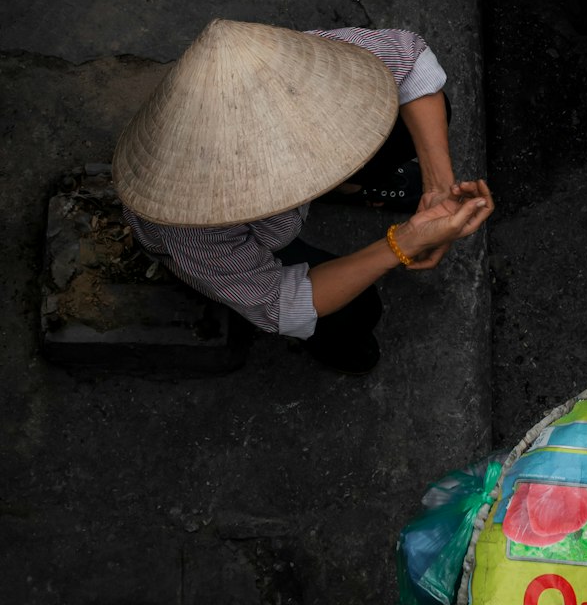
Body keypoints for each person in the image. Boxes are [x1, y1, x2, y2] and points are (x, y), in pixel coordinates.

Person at [113, 19, 493, 374]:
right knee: (354, 311)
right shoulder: (191, 225)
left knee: (405, 122)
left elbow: (411, 63)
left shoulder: (310, 63)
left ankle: (353, 189)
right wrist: (402, 243)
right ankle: (333, 346)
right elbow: (282, 303)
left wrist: (438, 187)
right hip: (251, 246)